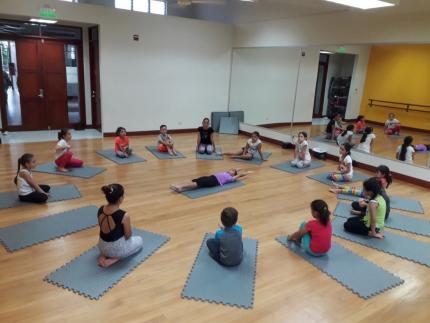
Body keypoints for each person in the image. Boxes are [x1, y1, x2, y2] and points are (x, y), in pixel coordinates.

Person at [97, 183, 143, 268]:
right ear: (121, 198)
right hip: (116, 250)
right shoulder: (124, 215)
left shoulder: (100, 209)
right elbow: (128, 236)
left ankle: (103, 255)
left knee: (112, 240)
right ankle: (115, 258)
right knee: (140, 240)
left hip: (101, 246)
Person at [170, 168, 251, 192]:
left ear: (234, 174)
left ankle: (180, 187)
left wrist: (245, 173)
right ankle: (181, 187)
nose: (231, 170)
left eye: (233, 171)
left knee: (198, 183)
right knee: (196, 180)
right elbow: (236, 169)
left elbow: (239, 175)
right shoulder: (226, 172)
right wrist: (240, 168)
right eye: (231, 169)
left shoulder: (230, 178)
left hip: (214, 181)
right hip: (211, 177)